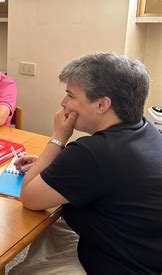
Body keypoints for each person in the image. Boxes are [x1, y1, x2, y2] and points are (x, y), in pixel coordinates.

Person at [10, 53, 162, 274]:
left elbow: (30, 197)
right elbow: (103, 176)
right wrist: (56, 167)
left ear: (101, 104)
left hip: (118, 265)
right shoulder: (145, 129)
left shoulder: (92, 153)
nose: (63, 103)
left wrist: (58, 137)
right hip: (144, 252)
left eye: (70, 95)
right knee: (56, 227)